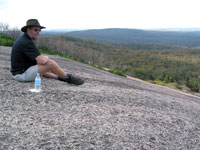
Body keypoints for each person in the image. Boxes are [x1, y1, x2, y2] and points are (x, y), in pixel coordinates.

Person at [10, 19, 84, 85]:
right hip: (22, 75)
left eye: (39, 30)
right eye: (35, 30)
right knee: (50, 63)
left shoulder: (24, 39)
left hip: (21, 72)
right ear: (28, 29)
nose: (38, 32)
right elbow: (42, 60)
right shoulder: (25, 42)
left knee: (45, 68)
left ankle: (60, 77)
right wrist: (46, 57)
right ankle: (68, 78)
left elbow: (38, 61)